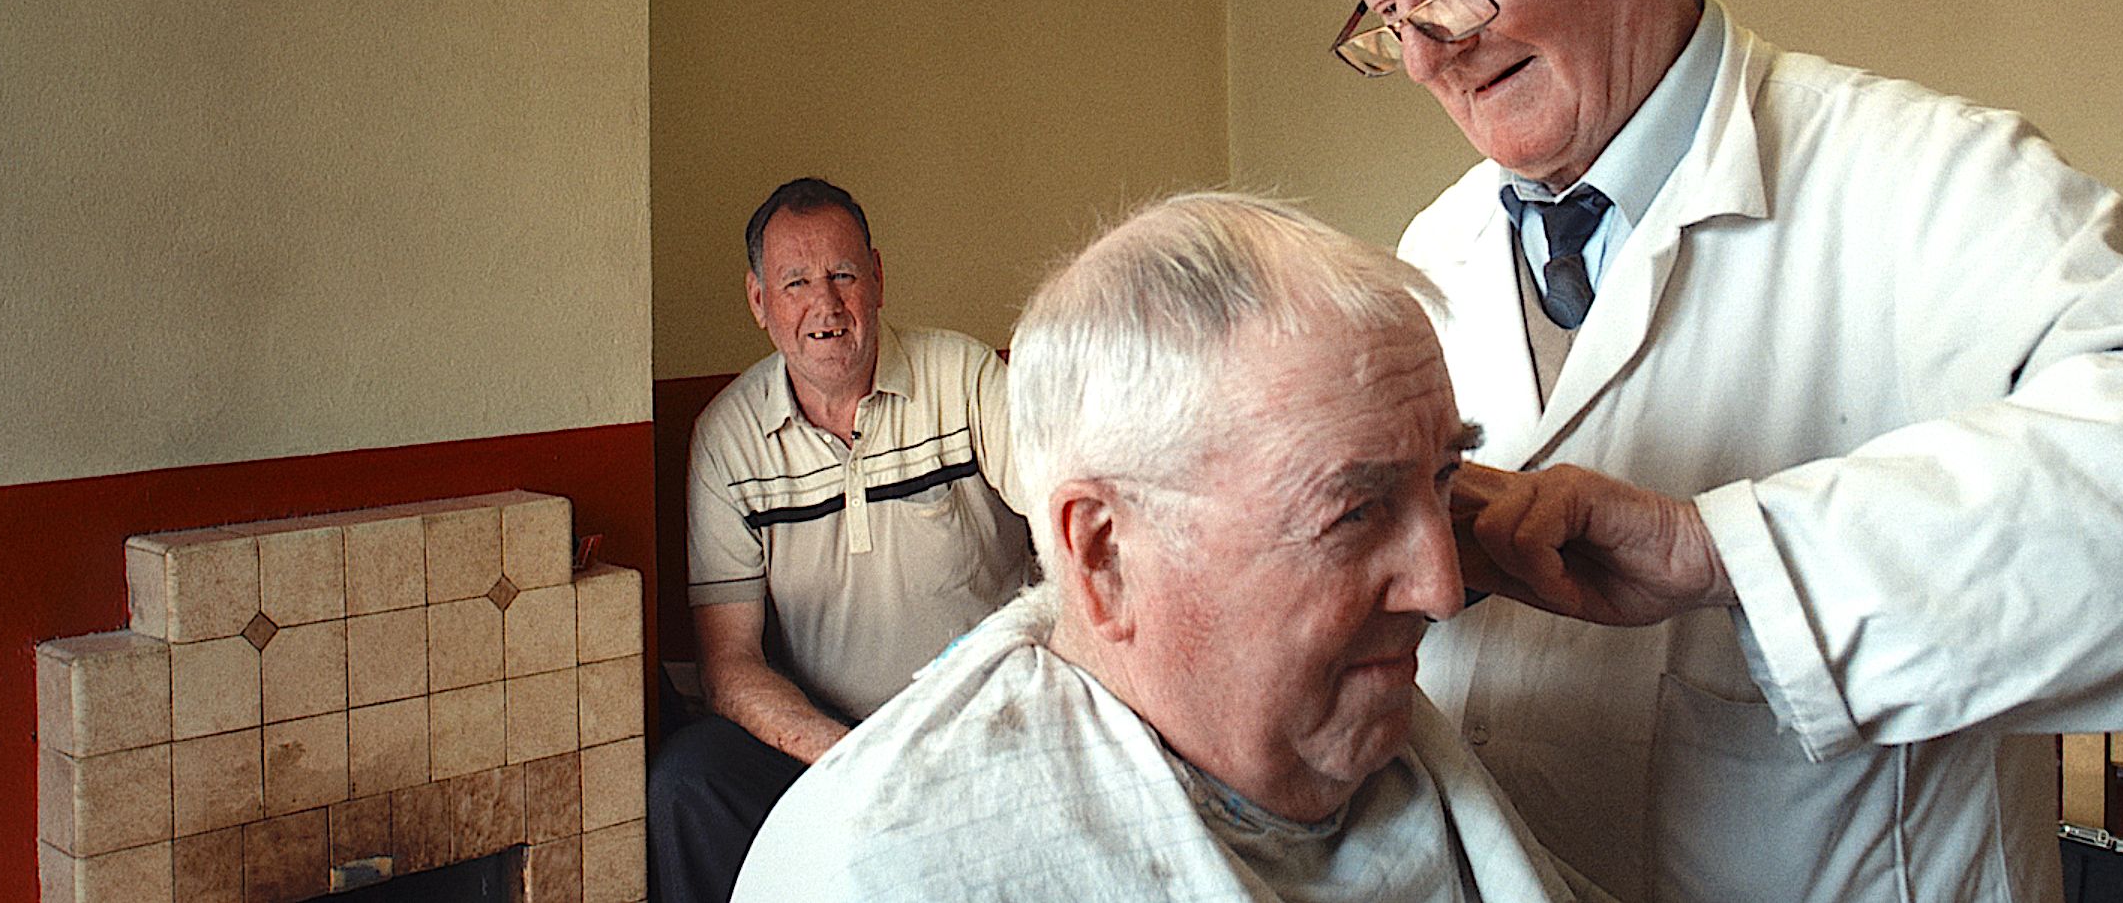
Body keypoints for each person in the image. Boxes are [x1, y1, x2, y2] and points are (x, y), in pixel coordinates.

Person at [1316, 0, 2123, 902]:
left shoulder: (1931, 178)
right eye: (1383, 10)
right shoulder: (1435, 253)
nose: (1426, 55)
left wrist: (1718, 554)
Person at [733, 193, 1575, 902]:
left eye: (1442, 480)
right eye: (1354, 512)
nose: (1442, 588)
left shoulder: (1393, 750)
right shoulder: (873, 868)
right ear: (1102, 555)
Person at [650, 177, 1033, 903]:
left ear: (879, 279)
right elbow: (729, 664)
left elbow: (1064, 523)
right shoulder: (729, 438)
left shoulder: (965, 376)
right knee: (688, 781)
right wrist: (847, 757)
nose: (825, 305)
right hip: (824, 741)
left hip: (974, 721)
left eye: (843, 275)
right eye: (795, 282)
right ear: (760, 302)